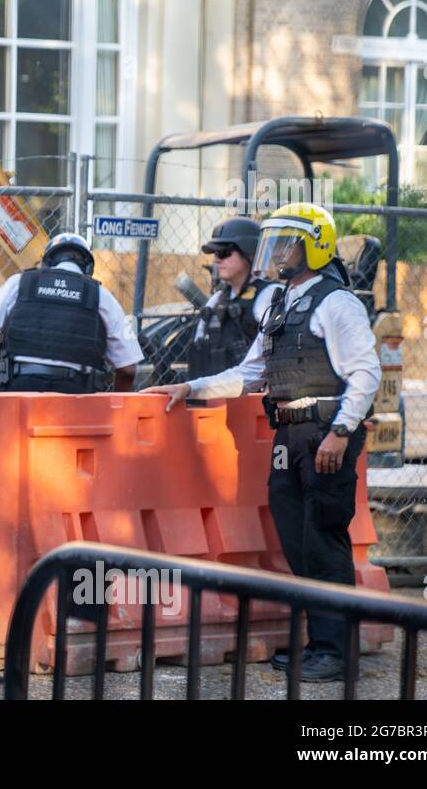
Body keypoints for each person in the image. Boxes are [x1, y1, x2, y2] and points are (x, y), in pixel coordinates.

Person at [142, 202, 380, 683]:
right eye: (275, 242)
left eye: (287, 242)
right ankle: (318, 644)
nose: (277, 253)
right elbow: (249, 373)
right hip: (288, 435)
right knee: (297, 542)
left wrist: (340, 432)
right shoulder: (277, 302)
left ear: (313, 245)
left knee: (324, 541)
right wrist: (191, 388)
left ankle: (335, 650)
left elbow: (366, 374)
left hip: (324, 435)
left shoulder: (337, 303)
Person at [0, 233, 143, 392]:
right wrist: (115, 405)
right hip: (77, 398)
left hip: (17, 391)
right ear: (88, 267)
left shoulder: (19, 283)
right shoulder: (101, 295)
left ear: (46, 262)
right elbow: (128, 369)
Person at [187, 216, 282, 378]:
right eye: (215, 253)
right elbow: (199, 344)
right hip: (217, 391)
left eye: (224, 252)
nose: (217, 258)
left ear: (250, 254)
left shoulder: (270, 295)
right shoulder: (216, 299)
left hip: (253, 395)